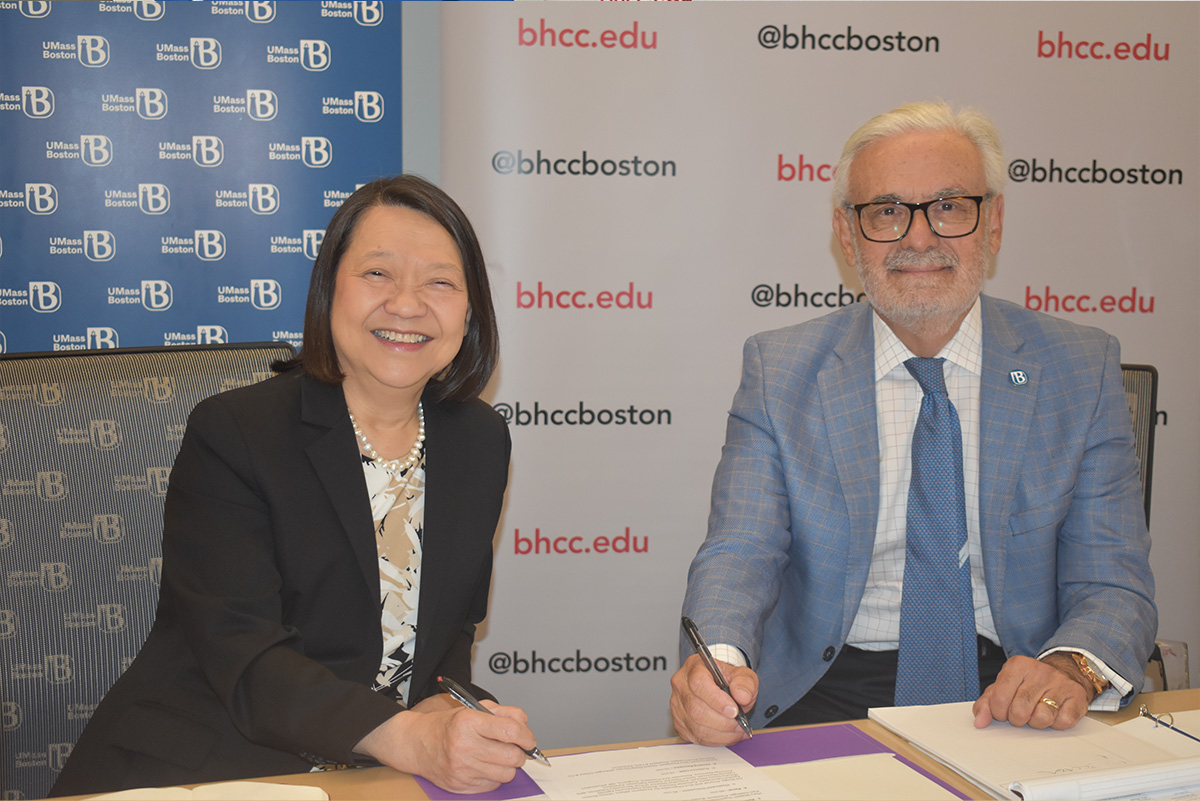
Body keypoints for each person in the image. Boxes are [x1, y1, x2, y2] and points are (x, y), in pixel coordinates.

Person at [670, 101, 1156, 747]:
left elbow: (1112, 577)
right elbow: (742, 549)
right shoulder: (781, 368)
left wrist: (1070, 664)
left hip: (1018, 685)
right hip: (825, 688)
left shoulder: (1077, 366)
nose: (919, 238)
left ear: (994, 223)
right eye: (887, 211)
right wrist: (719, 660)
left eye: (951, 206)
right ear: (848, 234)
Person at [51, 175, 538, 796]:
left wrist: (452, 713)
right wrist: (409, 737)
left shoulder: (479, 439)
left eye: (440, 282)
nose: (408, 305)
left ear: (470, 312)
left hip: (373, 769)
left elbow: (449, 632)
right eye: (378, 275)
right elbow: (242, 653)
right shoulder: (235, 432)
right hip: (215, 760)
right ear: (329, 289)